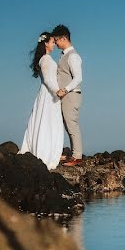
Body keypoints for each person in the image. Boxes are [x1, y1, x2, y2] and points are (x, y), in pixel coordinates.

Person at [18, 32, 64, 169]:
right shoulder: (46, 60)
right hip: (49, 96)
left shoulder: (45, 59)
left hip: (48, 95)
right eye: (52, 42)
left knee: (47, 122)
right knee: (47, 123)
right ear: (45, 43)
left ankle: (51, 151)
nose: (54, 45)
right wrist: (58, 91)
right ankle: (46, 152)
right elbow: (49, 80)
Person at [51, 24, 84, 166]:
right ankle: (73, 154)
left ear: (64, 38)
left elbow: (78, 78)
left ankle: (77, 157)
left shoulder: (73, 56)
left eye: (57, 39)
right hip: (66, 96)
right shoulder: (64, 56)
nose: (56, 43)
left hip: (71, 95)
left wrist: (64, 90)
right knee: (67, 125)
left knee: (72, 125)